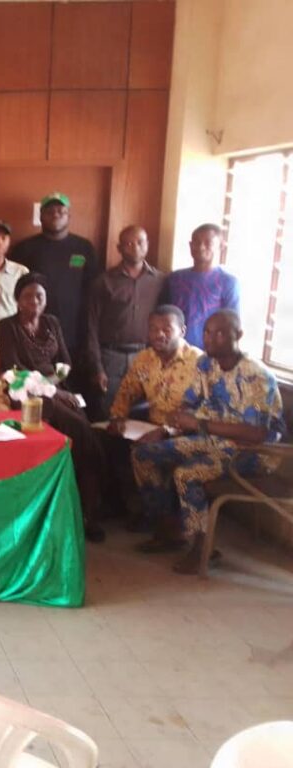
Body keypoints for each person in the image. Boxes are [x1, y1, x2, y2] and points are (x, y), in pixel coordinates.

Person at [132, 310, 285, 573]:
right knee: (144, 453)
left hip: (254, 452)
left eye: (219, 333)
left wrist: (199, 425)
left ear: (238, 335)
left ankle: (203, 548)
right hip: (212, 440)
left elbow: (256, 434)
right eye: (206, 332)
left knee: (188, 474)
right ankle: (170, 528)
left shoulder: (256, 375)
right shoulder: (206, 364)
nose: (210, 339)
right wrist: (167, 430)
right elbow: (189, 405)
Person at [0, 273, 106, 541]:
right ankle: (81, 511)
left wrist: (58, 387)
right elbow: (13, 369)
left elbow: (64, 364)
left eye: (40, 296)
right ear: (17, 300)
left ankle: (86, 512)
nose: (34, 301)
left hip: (59, 391)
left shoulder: (52, 323)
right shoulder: (7, 326)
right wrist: (52, 391)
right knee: (84, 434)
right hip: (27, 395)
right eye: (27, 296)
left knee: (82, 440)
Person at [86, 226, 167, 419]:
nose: (135, 247)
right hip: (111, 357)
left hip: (146, 355)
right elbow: (91, 327)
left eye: (140, 242)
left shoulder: (160, 280)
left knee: (142, 412)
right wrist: (97, 367)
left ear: (147, 245)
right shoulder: (103, 282)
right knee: (110, 412)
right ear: (119, 248)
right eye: (129, 243)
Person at [10, 193, 100, 361]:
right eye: (49, 211)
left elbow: (93, 291)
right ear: (41, 217)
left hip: (75, 335)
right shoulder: (24, 248)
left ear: (69, 216)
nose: (55, 214)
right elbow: (14, 291)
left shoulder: (84, 247)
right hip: (35, 333)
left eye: (61, 211)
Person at [108, 305, 202, 434]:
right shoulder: (144, 358)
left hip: (186, 433)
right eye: (153, 329)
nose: (159, 334)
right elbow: (127, 391)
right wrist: (117, 416)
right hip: (151, 427)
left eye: (167, 330)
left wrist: (167, 431)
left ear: (182, 331)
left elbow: (204, 410)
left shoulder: (199, 362)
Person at [164, 223, 240, 349]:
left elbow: (232, 325)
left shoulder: (228, 282)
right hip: (174, 351)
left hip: (210, 353)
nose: (201, 247)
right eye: (196, 242)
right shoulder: (175, 278)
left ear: (220, 247)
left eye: (208, 243)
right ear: (190, 245)